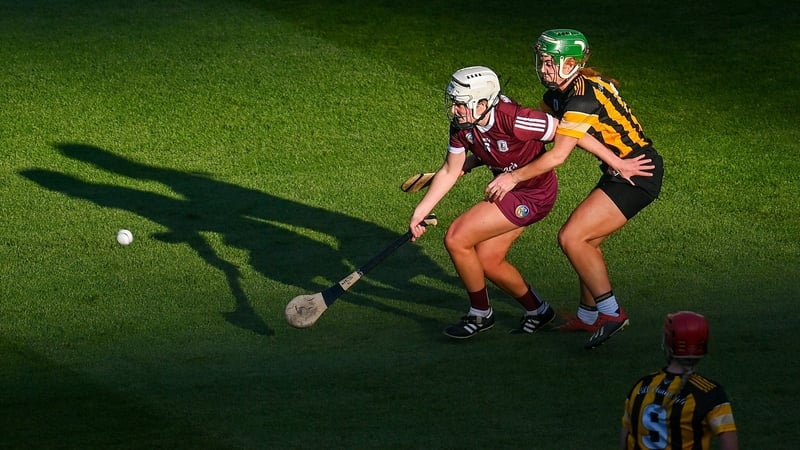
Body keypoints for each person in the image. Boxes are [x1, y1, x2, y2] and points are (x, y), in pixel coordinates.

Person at [485, 29, 664, 348]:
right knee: (587, 243)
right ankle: (588, 315)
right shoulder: (559, 94)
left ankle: (612, 313)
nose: (543, 69)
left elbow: (558, 154)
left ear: (571, 63)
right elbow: (555, 130)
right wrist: (479, 154)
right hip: (620, 169)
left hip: (638, 172)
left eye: (550, 63)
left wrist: (512, 178)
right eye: (541, 61)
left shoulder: (582, 95)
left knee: (572, 238)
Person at [409, 65, 565, 338]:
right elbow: (449, 170)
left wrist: (616, 162)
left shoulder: (516, 118)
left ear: (483, 103)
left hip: (533, 194)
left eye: (460, 104)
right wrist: (420, 212)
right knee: (488, 260)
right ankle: (539, 311)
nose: (455, 110)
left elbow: (570, 135)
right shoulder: (462, 125)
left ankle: (480, 314)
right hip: (508, 190)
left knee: (457, 238)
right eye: (454, 103)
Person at [621, 311, 738, 449]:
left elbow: (626, 437)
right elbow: (729, 442)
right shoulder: (710, 393)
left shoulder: (641, 386)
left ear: (669, 342)